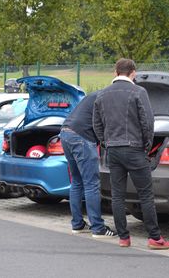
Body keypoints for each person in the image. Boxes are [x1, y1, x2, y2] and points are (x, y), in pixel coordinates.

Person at [93, 58, 169, 249]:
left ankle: (123, 238)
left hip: (112, 150)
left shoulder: (102, 94)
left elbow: (97, 124)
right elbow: (148, 122)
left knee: (117, 196)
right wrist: (146, 147)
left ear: (115, 72)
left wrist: (107, 143)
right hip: (134, 149)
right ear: (133, 73)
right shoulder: (139, 91)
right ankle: (154, 238)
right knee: (145, 195)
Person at [59, 91, 116, 238]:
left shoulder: (96, 95)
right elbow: (106, 125)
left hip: (65, 133)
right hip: (81, 137)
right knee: (92, 184)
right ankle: (98, 228)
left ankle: (77, 224)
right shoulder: (109, 99)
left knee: (77, 181)